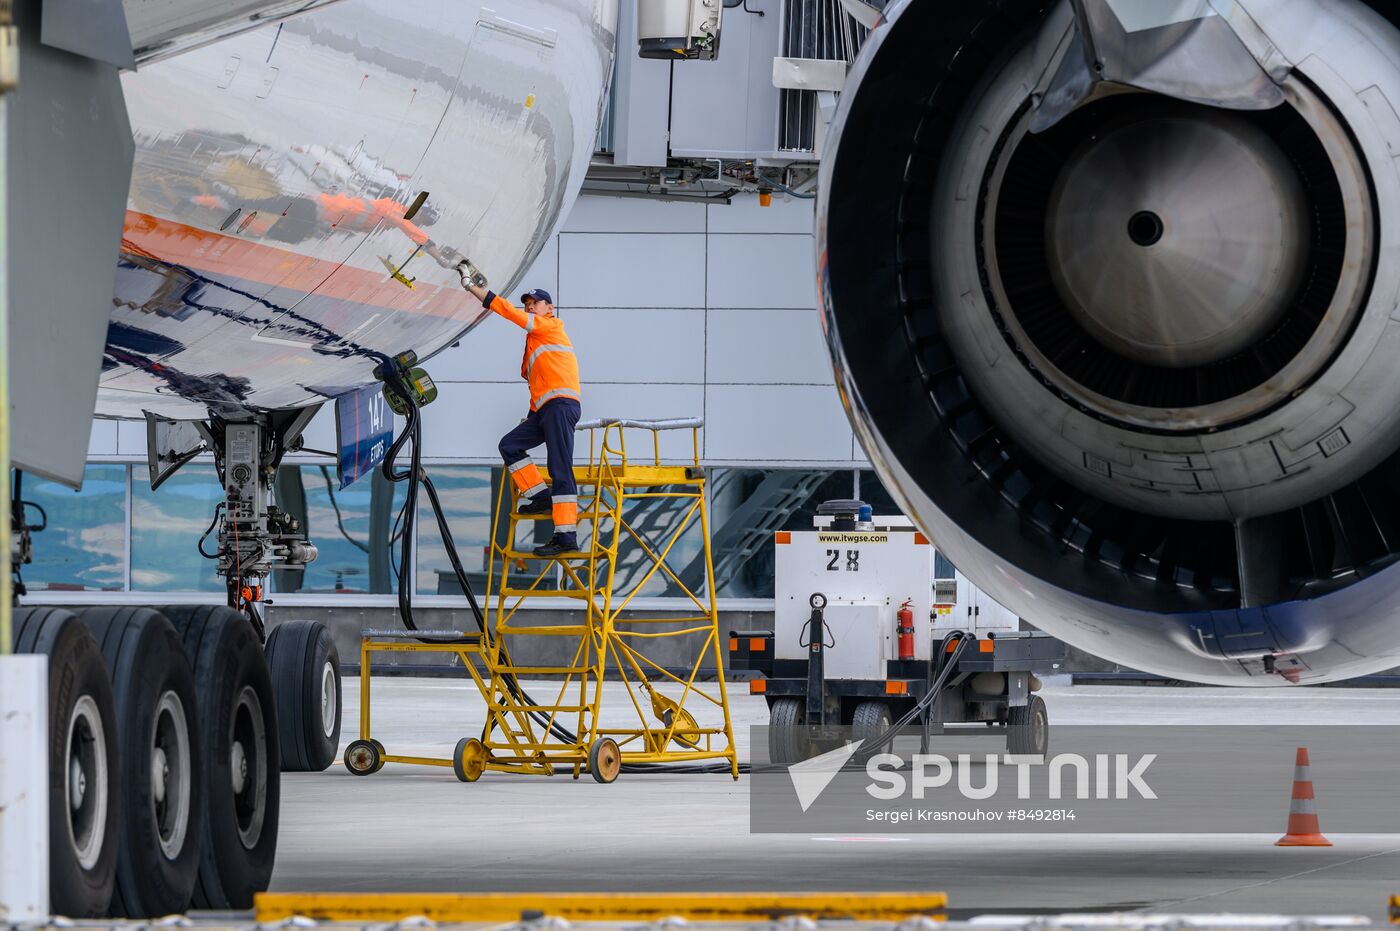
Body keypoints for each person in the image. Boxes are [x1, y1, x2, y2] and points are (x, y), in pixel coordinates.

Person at [458, 263, 581, 557]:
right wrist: (531, 414)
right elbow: (537, 384)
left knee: (560, 468)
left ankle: (566, 538)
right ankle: (541, 497)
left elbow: (508, 313)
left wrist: (475, 289)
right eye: (526, 304)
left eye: (533, 303)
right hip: (544, 410)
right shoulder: (534, 343)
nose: (528, 308)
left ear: (549, 308)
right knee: (510, 445)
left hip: (561, 406)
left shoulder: (551, 325)